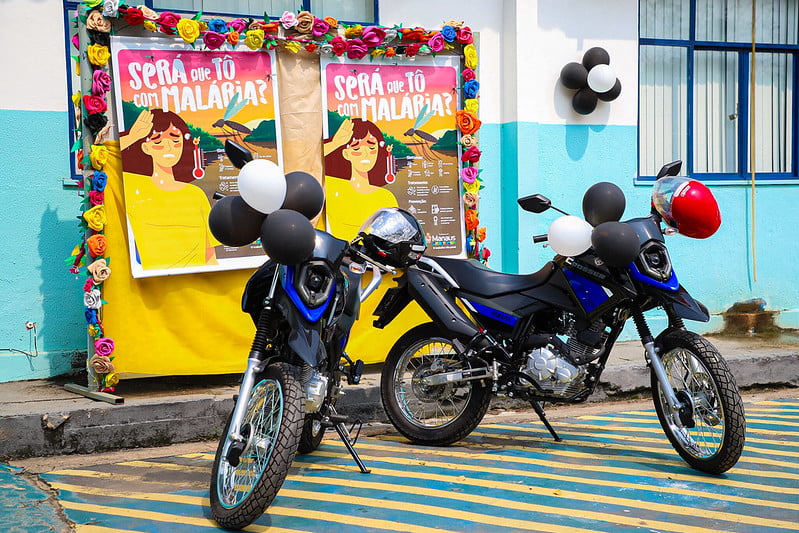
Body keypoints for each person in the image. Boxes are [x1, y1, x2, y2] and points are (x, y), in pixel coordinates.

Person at [120, 108, 220, 271]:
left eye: (175, 141)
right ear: (146, 148)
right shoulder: (132, 185)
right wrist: (132, 136)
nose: (168, 147)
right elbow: (103, 164)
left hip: (198, 284)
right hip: (153, 285)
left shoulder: (196, 195)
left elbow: (210, 255)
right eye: (158, 142)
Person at [323, 118, 398, 240]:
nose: (365, 154)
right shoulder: (332, 185)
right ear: (346, 154)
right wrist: (335, 143)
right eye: (356, 148)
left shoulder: (386, 197)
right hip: (340, 256)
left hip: (373, 258)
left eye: (371, 148)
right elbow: (304, 165)